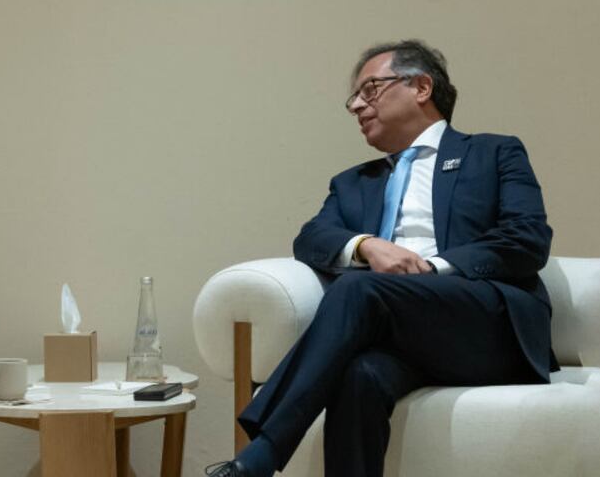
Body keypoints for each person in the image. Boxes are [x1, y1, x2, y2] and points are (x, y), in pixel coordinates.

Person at [206, 40, 554, 477]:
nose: (356, 106)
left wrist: (433, 267)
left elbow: (527, 238)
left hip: (483, 325)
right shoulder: (353, 183)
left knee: (359, 287)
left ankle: (260, 456)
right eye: (353, 98)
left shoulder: (493, 153)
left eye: (369, 90)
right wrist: (366, 246)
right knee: (360, 375)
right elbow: (311, 239)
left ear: (421, 87)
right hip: (398, 332)